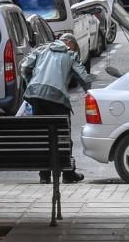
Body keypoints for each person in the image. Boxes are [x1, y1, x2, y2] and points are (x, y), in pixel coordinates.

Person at [21, 33, 92, 184]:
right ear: (69, 43)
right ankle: (67, 174)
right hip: (56, 98)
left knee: (43, 136)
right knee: (63, 136)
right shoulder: (70, 54)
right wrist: (90, 92)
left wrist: (30, 83)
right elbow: (84, 77)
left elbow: (25, 66)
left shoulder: (41, 50)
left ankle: (44, 175)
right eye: (74, 46)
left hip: (35, 96)